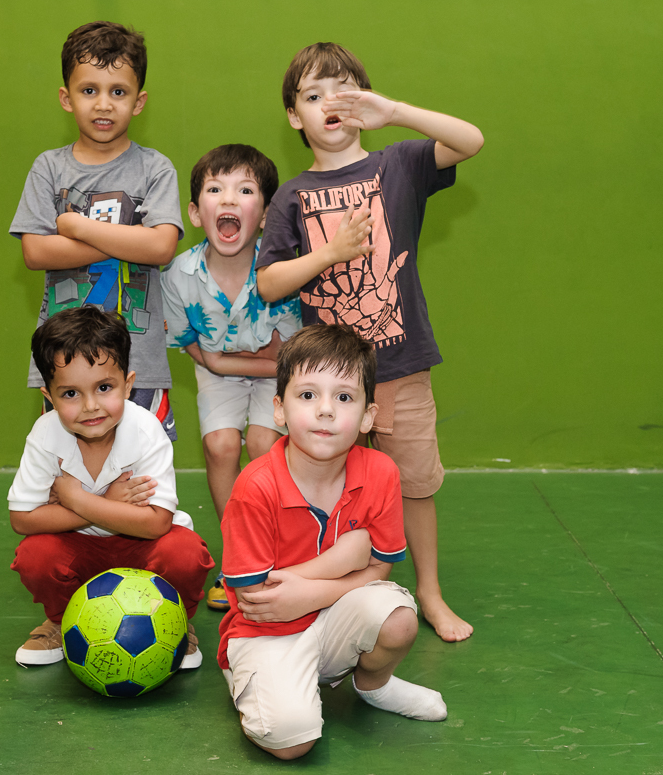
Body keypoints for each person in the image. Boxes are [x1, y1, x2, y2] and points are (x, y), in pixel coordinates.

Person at [256, 42, 485, 642]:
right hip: (328, 383)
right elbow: (269, 279)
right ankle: (331, 591)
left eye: (343, 91)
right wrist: (329, 254)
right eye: (312, 96)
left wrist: (398, 111)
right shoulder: (293, 195)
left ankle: (429, 594)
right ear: (293, 117)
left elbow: (471, 140)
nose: (329, 104)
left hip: (400, 364)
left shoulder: (401, 165)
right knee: (327, 489)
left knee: (414, 483)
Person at [218, 324, 448, 759]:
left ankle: (372, 685)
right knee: (294, 743)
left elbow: (379, 569)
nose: (325, 410)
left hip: (330, 618)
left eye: (343, 397)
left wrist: (308, 589)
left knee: (398, 617)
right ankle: (251, 678)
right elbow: (254, 598)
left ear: (367, 417)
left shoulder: (380, 472)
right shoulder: (255, 487)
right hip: (266, 631)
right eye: (308, 395)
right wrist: (342, 559)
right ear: (279, 410)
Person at [7, 306, 214, 668]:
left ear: (128, 384)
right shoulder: (44, 435)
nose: (90, 406)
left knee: (185, 553)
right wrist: (105, 501)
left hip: (142, 546)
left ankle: (173, 621)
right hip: (81, 547)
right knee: (35, 556)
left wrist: (75, 499)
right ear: (48, 397)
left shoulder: (147, 429)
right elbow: (23, 519)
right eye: (70, 393)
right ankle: (61, 622)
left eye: (104, 388)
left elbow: (155, 524)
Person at [9, 21, 182, 439]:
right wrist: (127, 238)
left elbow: (160, 246)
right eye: (90, 91)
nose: (104, 104)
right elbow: (36, 253)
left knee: (144, 471)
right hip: (65, 361)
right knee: (68, 468)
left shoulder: (155, 168)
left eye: (117, 92)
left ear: (139, 102)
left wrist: (76, 228)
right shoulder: (49, 168)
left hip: (137, 359)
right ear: (66, 99)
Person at [162, 144, 302, 611]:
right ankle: (237, 558)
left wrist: (226, 361)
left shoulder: (279, 272)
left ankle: (279, 553)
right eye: (215, 189)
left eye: (245, 190)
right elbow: (192, 345)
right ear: (195, 212)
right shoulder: (179, 274)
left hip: (275, 375)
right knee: (220, 445)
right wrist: (219, 364)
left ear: (264, 215)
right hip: (214, 371)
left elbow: (289, 360)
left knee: (264, 445)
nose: (228, 199)